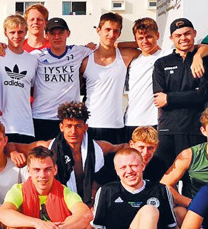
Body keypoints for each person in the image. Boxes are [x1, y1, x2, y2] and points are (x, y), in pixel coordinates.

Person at [7, 102, 123, 206]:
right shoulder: (48, 147)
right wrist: (13, 153)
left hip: (91, 205)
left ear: (85, 128)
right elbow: (10, 145)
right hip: (59, 203)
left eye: (78, 126)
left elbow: (124, 147)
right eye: (69, 126)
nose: (73, 131)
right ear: (61, 127)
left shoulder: (100, 148)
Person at [151, 18, 208, 184]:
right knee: (162, 179)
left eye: (187, 33)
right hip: (168, 130)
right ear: (171, 39)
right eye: (178, 35)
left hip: (194, 130)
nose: (183, 38)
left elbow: (202, 95)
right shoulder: (161, 64)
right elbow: (159, 98)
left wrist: (171, 97)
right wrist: (188, 95)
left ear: (194, 34)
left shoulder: (206, 60)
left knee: (191, 180)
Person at [29, 18, 93, 141]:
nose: (57, 37)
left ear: (68, 33)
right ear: (46, 35)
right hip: (42, 117)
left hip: (69, 119)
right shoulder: (36, 56)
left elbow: (106, 48)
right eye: (52, 33)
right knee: (42, 158)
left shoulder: (79, 52)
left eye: (61, 33)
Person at [0, 15, 37, 144]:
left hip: (25, 127)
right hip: (0, 125)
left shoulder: (33, 60)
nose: (17, 36)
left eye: (20, 32)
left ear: (26, 32)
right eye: (12, 32)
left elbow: (34, 89)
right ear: (5, 33)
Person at [83, 13, 132, 144]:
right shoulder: (85, 59)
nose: (111, 34)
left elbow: (144, 45)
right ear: (98, 30)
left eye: (116, 31)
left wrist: (119, 45)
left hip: (116, 125)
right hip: (90, 124)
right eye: (107, 30)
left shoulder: (126, 56)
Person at [123, 18, 168, 132]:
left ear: (157, 35)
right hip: (132, 121)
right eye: (140, 38)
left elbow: (201, 47)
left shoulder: (167, 55)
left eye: (149, 37)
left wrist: (197, 57)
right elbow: (114, 46)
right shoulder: (134, 60)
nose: (145, 41)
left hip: (156, 121)